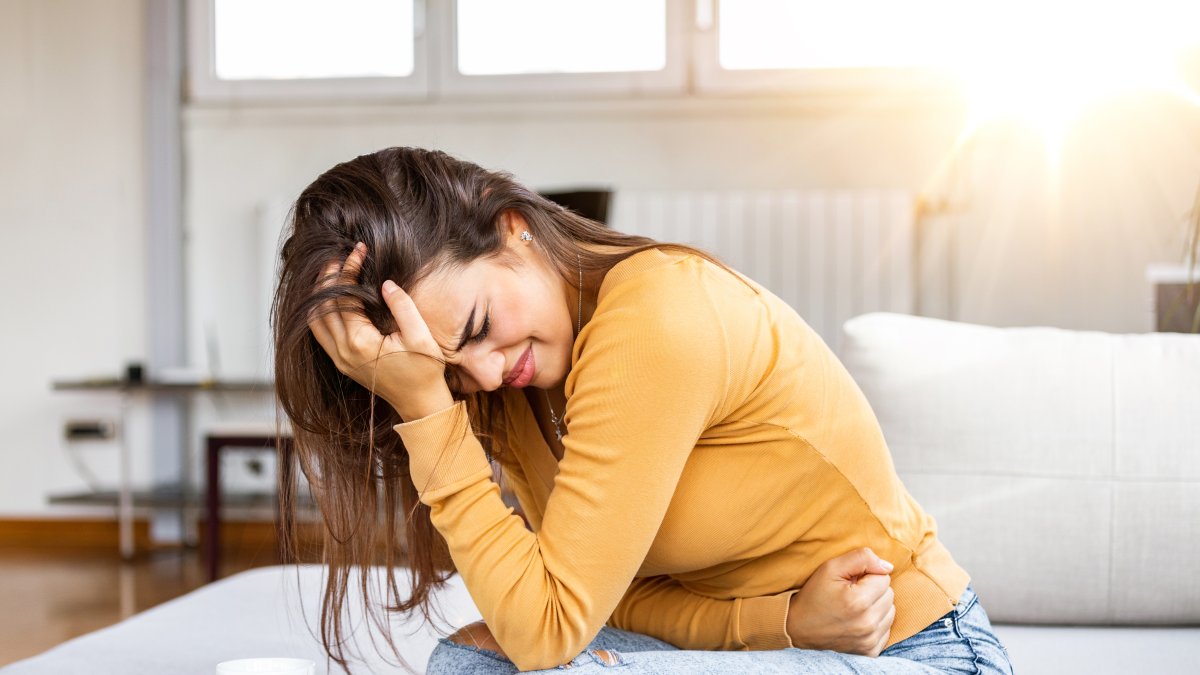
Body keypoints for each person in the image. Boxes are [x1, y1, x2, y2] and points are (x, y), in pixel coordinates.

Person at [272, 147, 1013, 674]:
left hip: (917, 649)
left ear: (512, 229)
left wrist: (428, 408)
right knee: (468, 661)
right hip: (797, 641)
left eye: (476, 329)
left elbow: (548, 630)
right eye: (447, 372)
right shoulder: (509, 383)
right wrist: (777, 622)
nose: (487, 374)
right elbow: (599, 603)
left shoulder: (655, 316)